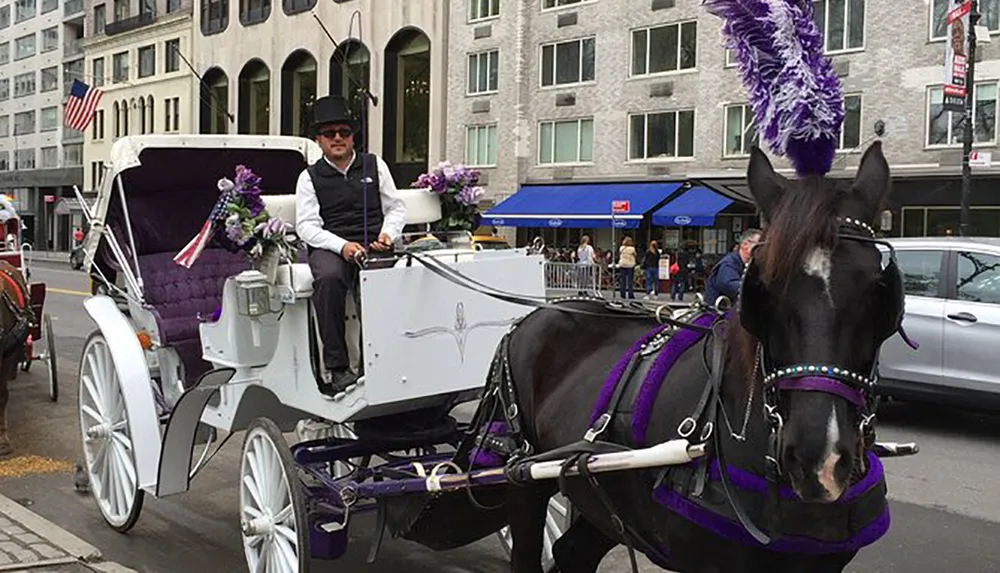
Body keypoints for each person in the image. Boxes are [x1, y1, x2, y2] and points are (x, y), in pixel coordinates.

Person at [295, 95, 407, 396]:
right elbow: (306, 226)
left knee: (388, 283)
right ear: (318, 140)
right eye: (330, 133)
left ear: (352, 136)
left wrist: (388, 234)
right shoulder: (309, 177)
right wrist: (343, 246)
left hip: (374, 244)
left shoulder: (374, 165)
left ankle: (385, 362)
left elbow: (396, 208)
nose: (338, 138)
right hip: (331, 245)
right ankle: (338, 368)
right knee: (329, 280)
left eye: (344, 132)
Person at [703, 228, 762, 308]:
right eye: (759, 245)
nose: (762, 249)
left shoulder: (753, 264)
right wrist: (758, 291)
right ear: (745, 244)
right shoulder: (728, 264)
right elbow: (731, 286)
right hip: (719, 314)